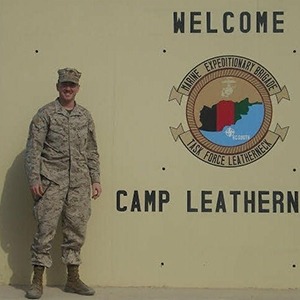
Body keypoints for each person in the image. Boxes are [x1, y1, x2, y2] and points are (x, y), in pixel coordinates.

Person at [24, 68, 102, 299]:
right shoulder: (45, 114)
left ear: (78, 88)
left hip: (79, 183)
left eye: (72, 85)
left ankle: (73, 279)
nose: (68, 89)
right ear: (57, 87)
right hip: (50, 182)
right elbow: (33, 150)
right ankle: (37, 280)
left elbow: (91, 150)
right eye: (64, 85)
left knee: (76, 231)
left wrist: (95, 179)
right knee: (45, 229)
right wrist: (34, 179)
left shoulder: (85, 116)